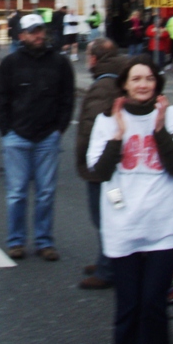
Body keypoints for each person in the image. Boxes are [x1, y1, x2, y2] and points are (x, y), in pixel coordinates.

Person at [85, 55, 173, 344]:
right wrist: (118, 133)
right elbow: (98, 172)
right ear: (124, 85)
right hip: (123, 226)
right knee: (129, 304)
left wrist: (159, 128)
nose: (143, 84)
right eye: (136, 79)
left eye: (148, 78)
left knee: (153, 304)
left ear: (157, 83)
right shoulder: (106, 121)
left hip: (165, 226)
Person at [0, 13, 75, 261]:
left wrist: (59, 128)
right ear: (22, 36)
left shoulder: (60, 63)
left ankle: (44, 242)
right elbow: (0, 100)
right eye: (33, 31)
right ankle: (16, 241)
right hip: (17, 137)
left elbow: (67, 99)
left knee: (46, 193)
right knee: (17, 193)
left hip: (47, 137)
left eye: (41, 30)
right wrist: (7, 131)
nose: (39, 35)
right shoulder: (10, 64)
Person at [74, 37, 126, 290]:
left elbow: (90, 129)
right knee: (110, 214)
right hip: (118, 160)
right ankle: (106, 259)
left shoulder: (104, 84)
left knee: (104, 217)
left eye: (87, 56)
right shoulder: (120, 75)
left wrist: (85, 161)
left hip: (104, 163)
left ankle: (108, 269)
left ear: (94, 58)